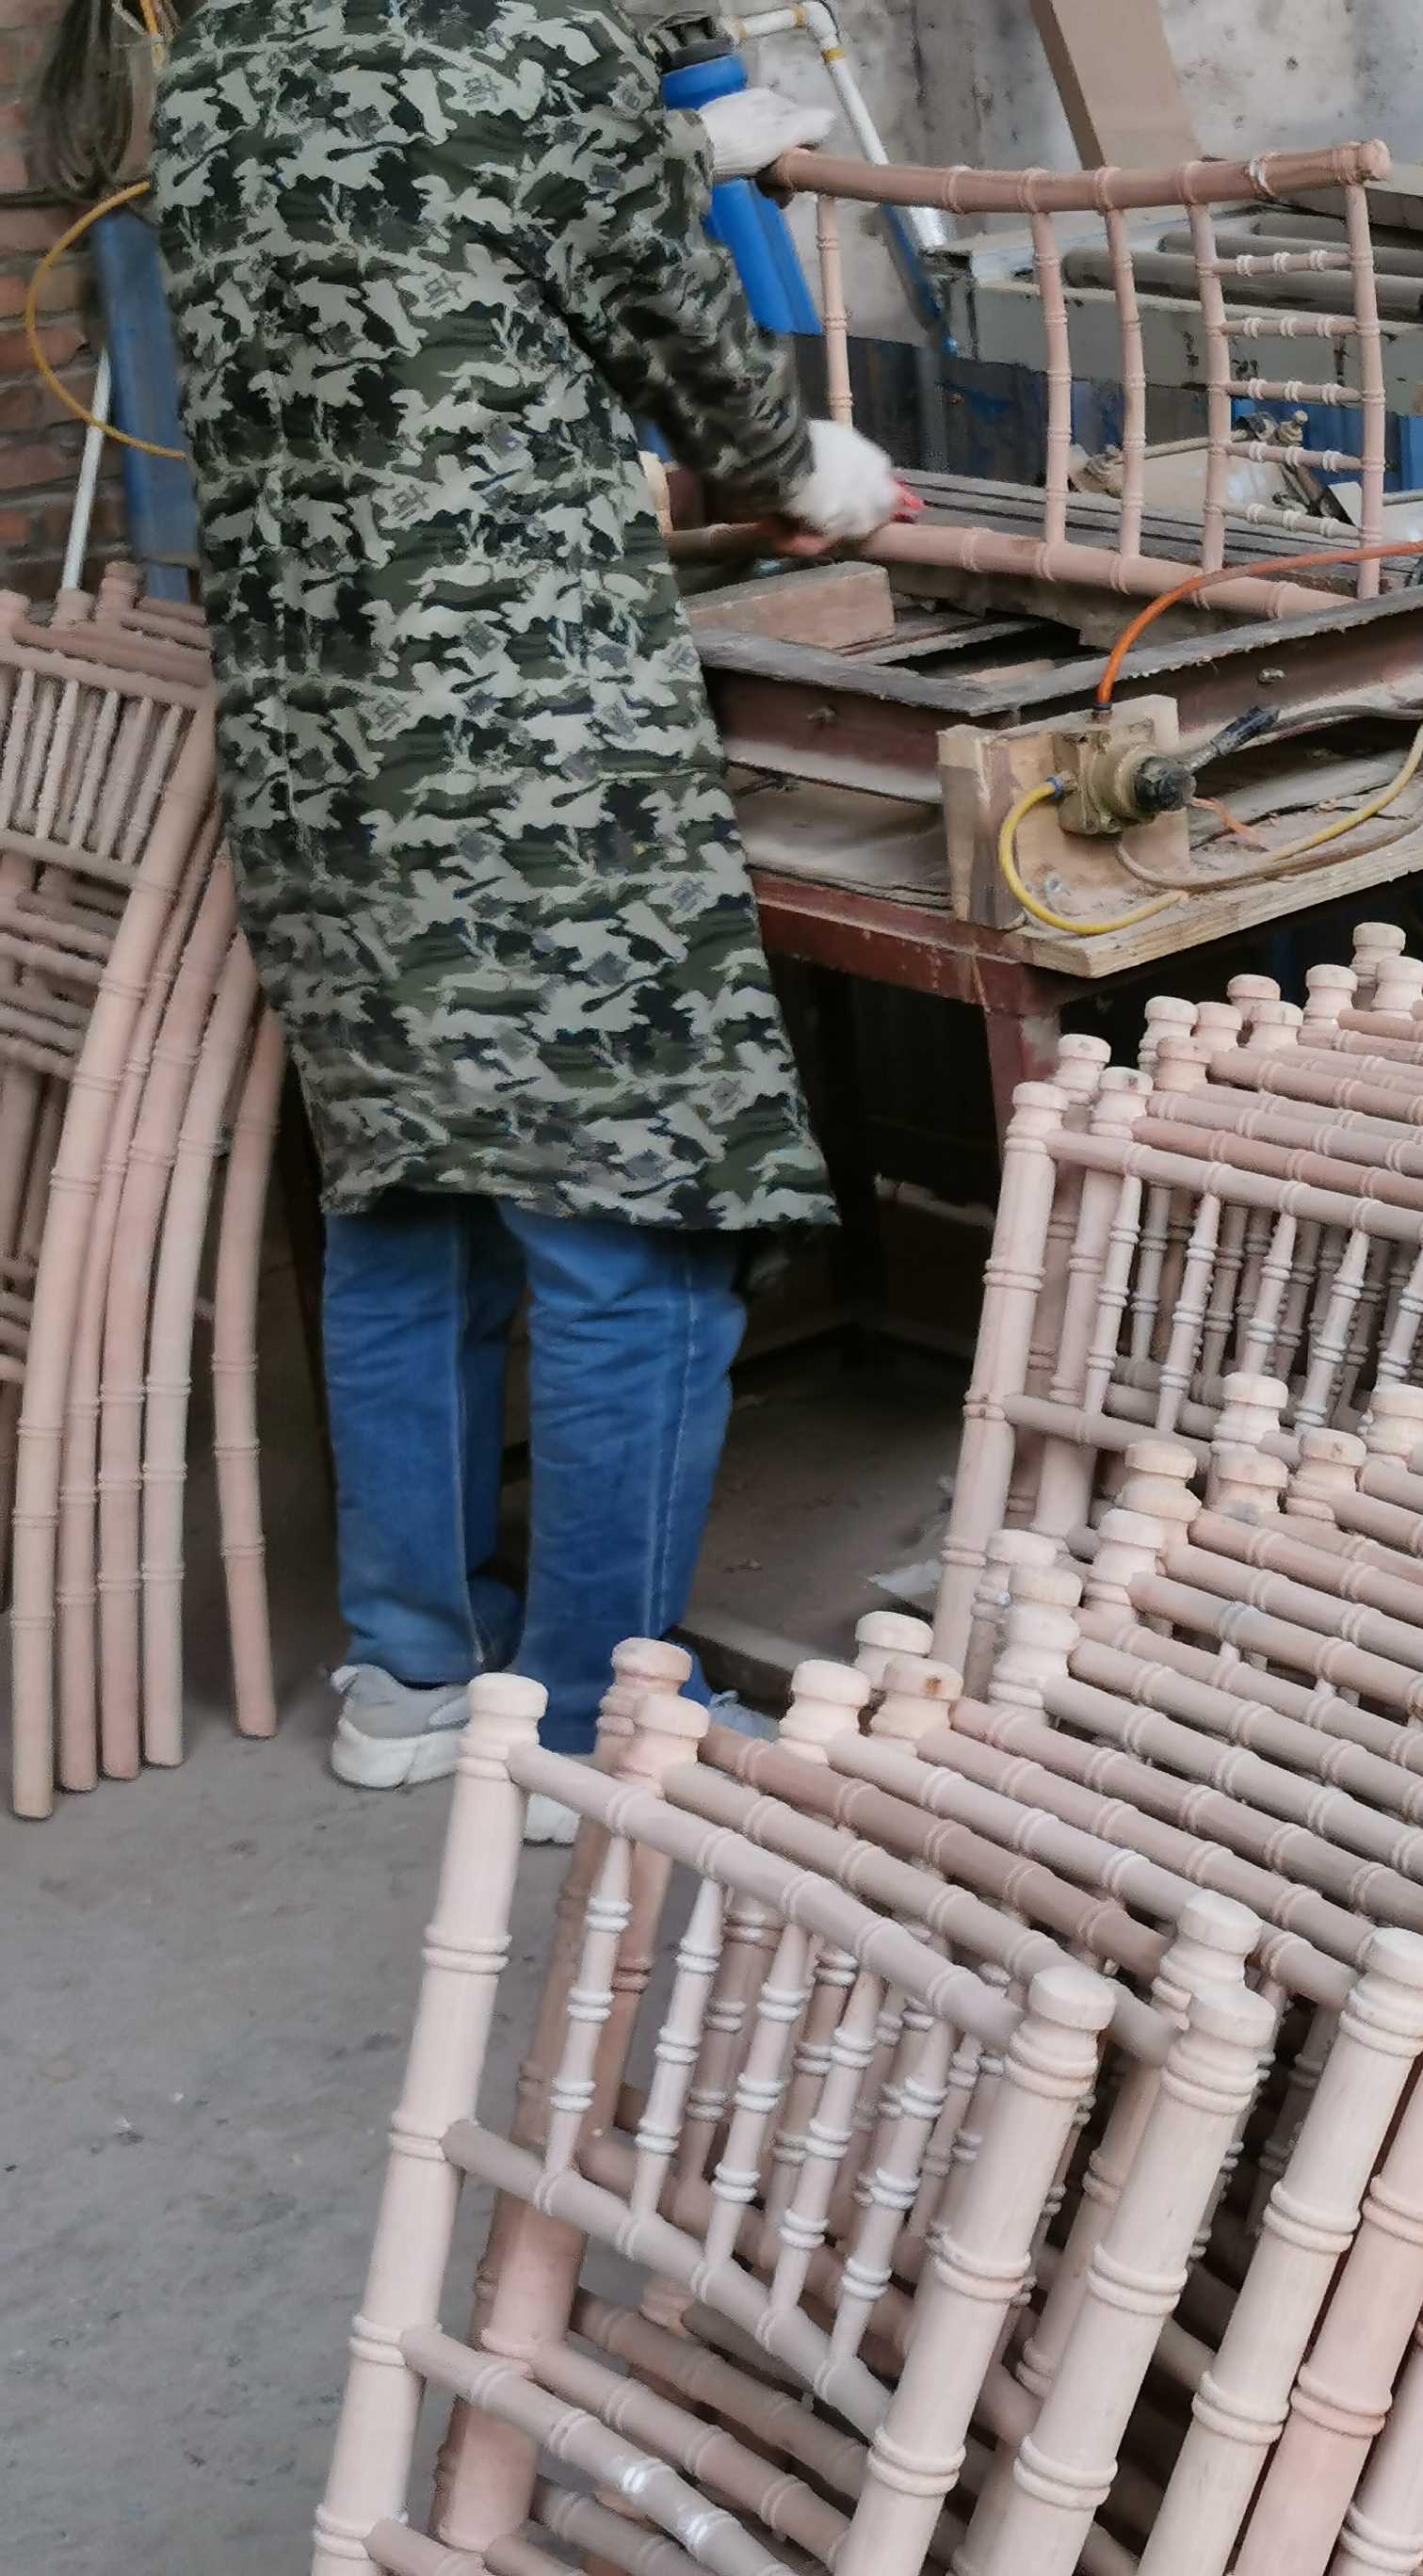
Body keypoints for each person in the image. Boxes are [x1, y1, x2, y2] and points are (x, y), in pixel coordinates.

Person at [150, 0, 910, 1832]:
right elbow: (692, 358)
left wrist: (668, 152)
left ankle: (411, 1673)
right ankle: (591, 1720)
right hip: (527, 746)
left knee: (407, 1199)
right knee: (637, 1225)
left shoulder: (227, 64)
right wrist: (817, 471)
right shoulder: (542, 50)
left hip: (315, 737)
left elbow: (432, 228)